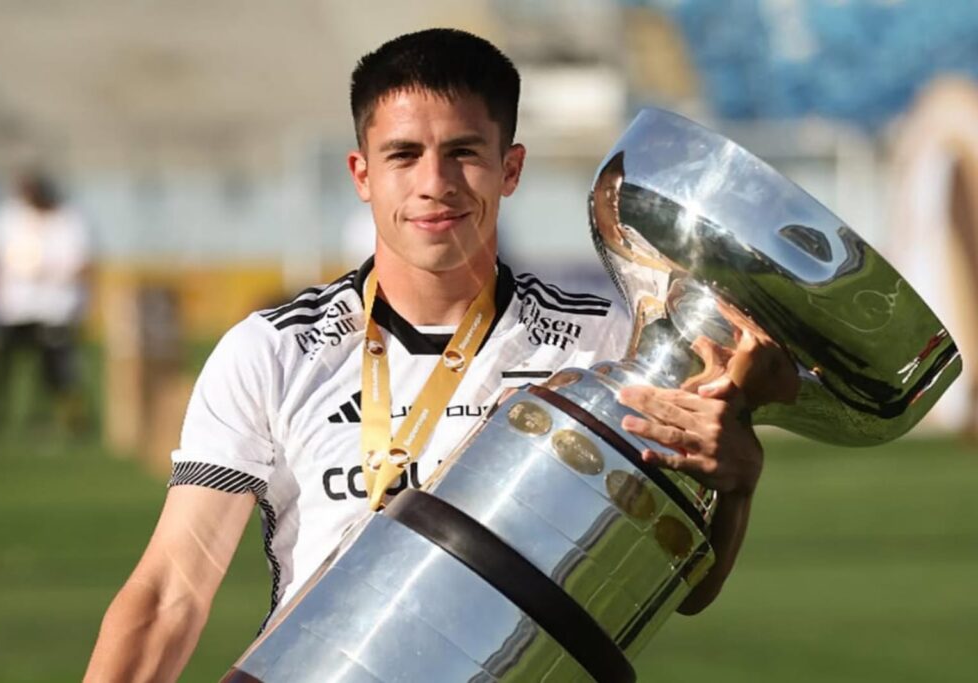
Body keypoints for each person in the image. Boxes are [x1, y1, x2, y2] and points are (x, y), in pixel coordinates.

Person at [84, 29, 765, 682]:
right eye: (403, 155)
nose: (434, 182)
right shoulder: (274, 351)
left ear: (511, 168)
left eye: (464, 152)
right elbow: (173, 587)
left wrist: (734, 487)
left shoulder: (604, 344)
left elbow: (683, 589)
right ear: (362, 173)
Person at [0, 170, 91, 435]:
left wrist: (54, 275)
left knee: (57, 372)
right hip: (15, 308)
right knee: (1, 365)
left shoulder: (69, 219)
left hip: (55, 309)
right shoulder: (9, 216)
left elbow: (82, 263)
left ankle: (67, 421)